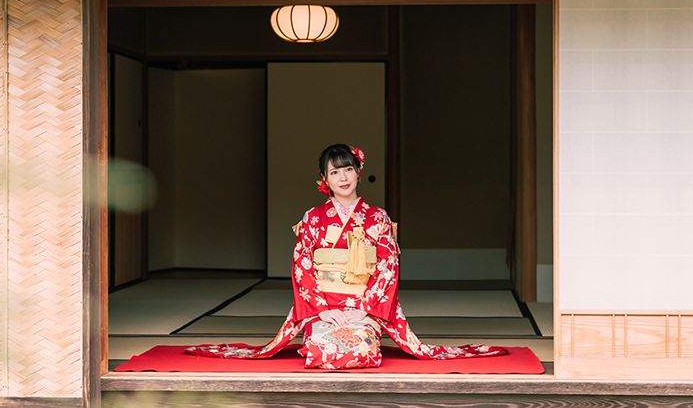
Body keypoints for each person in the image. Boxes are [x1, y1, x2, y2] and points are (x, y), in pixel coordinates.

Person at [186, 144, 508, 369]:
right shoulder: (313, 218)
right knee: (319, 352)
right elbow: (302, 268)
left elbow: (387, 268)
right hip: (323, 309)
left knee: (364, 352)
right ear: (324, 180)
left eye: (348, 170)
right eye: (335, 172)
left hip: (365, 310)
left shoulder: (377, 217)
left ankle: (364, 328)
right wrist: (323, 311)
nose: (343, 177)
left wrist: (363, 311)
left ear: (358, 173)